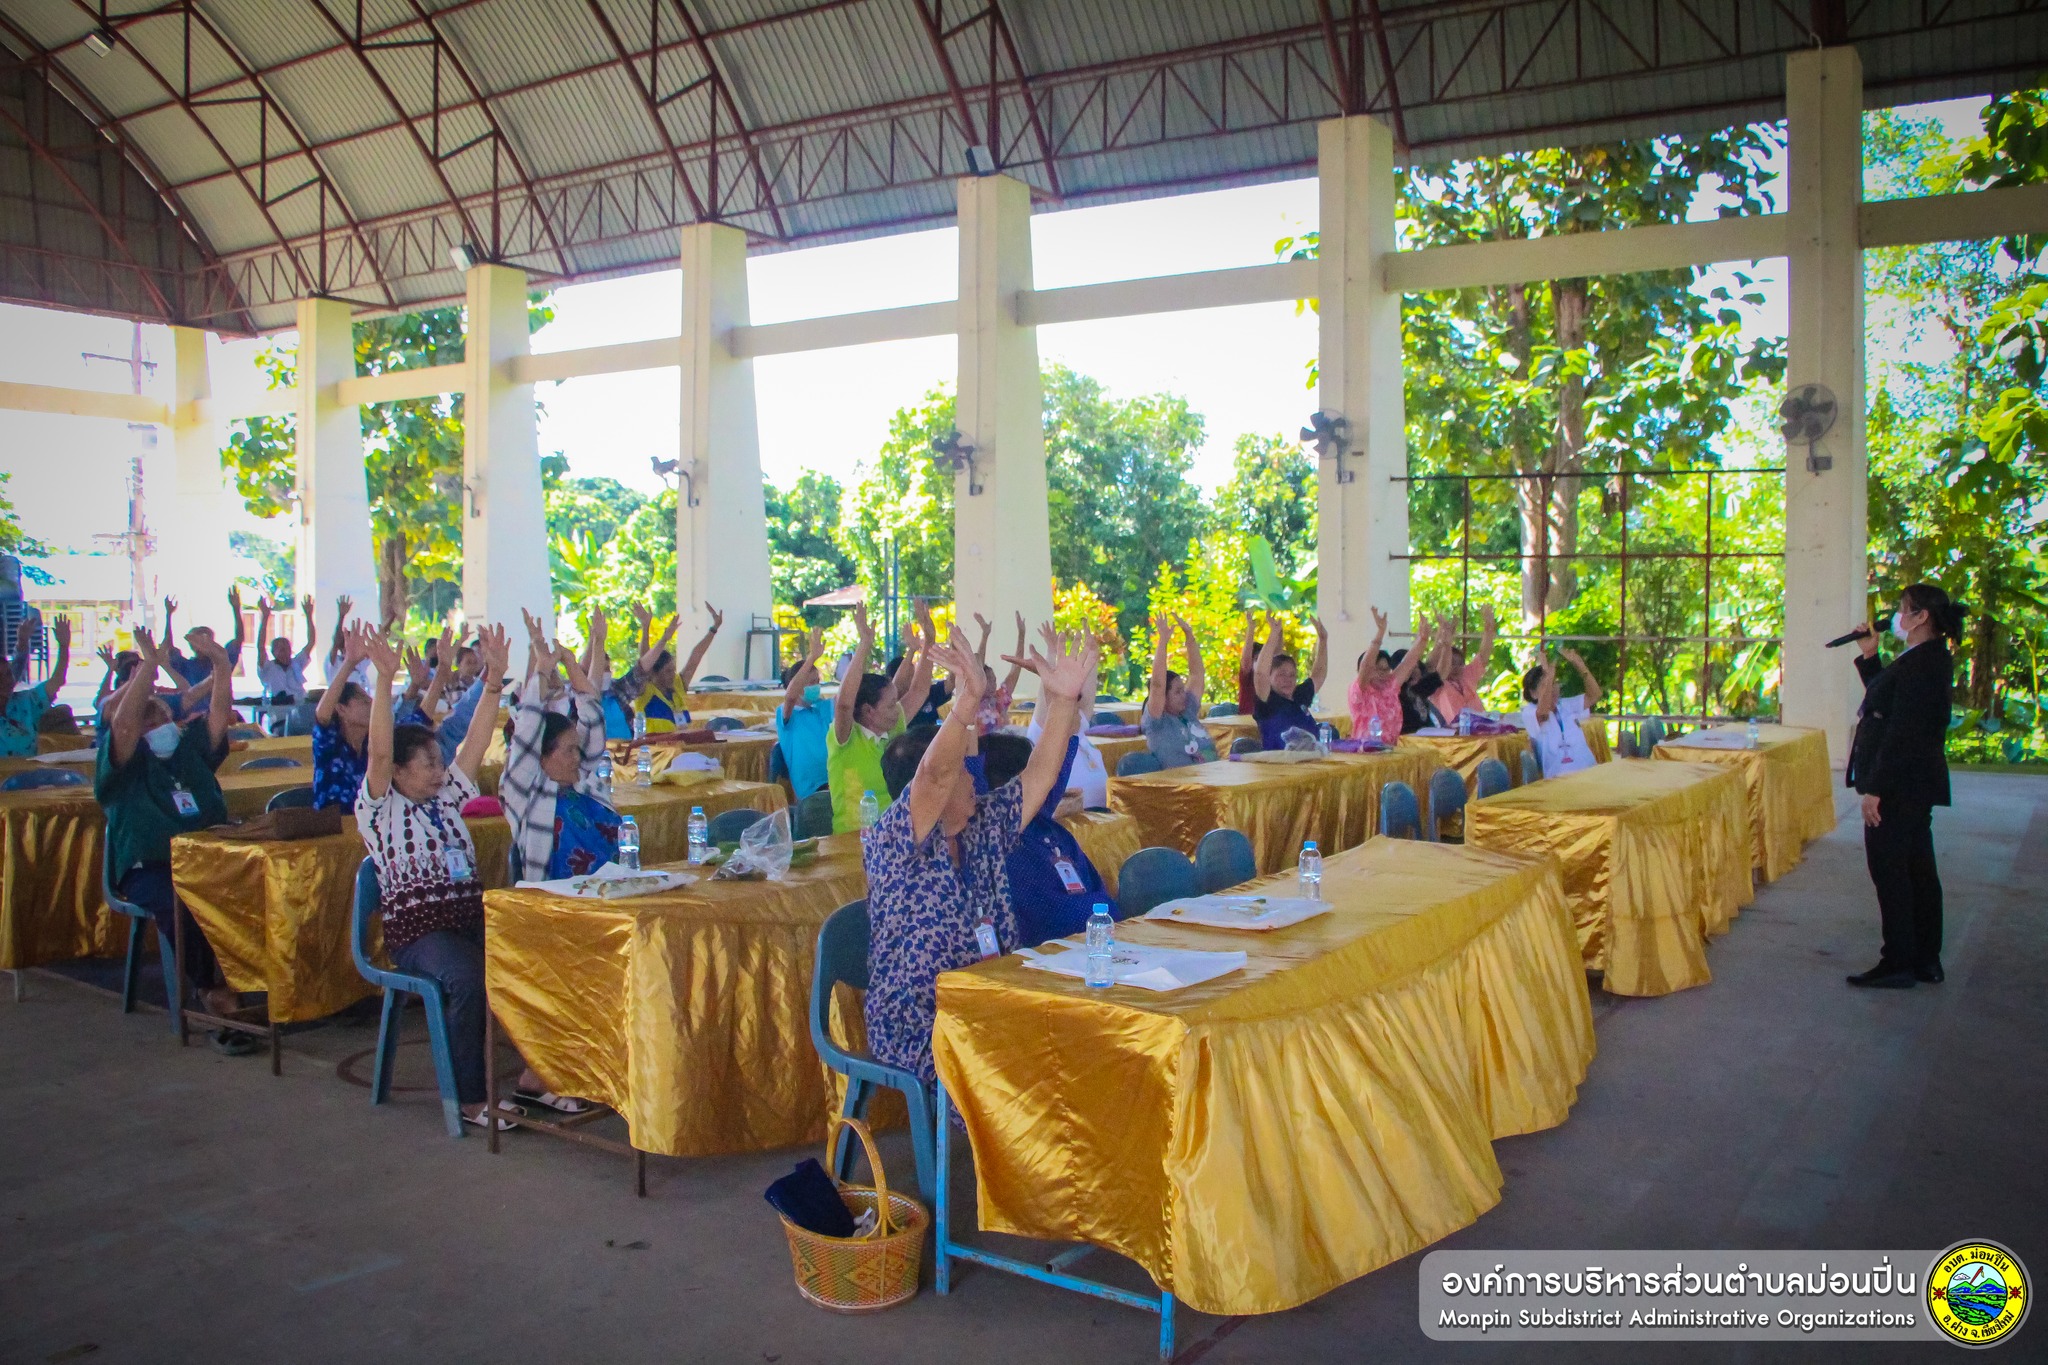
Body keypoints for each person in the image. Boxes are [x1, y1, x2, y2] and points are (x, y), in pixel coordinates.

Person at [354, 624, 576, 1125]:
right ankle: (470, 1098)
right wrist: (386, 684)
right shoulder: (381, 809)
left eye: (439, 762)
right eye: (428, 764)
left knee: (540, 957)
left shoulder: (448, 799)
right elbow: (380, 754)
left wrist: (496, 682)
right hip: (421, 934)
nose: (440, 771)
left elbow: (473, 747)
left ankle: (538, 1079)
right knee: (468, 979)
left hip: (470, 919)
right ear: (400, 773)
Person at [862, 624, 1097, 1085]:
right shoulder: (896, 841)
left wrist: (1064, 702)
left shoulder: (982, 825)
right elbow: (933, 774)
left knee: (1086, 1045)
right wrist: (966, 704)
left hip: (996, 1005)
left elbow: (1040, 776)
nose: (974, 777)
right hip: (926, 1026)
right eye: (962, 774)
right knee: (1032, 1077)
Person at [95, 625, 255, 1054]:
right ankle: (214, 995)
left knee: (262, 883)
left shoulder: (187, 751)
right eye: (151, 720)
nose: (161, 724)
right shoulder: (126, 765)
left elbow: (218, 716)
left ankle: (265, 982)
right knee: (183, 901)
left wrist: (222, 664)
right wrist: (149, 664)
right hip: (151, 869)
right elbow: (124, 724)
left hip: (206, 858)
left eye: (163, 717)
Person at [1844, 583, 1964, 990]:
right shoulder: (1922, 659)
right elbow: (1886, 703)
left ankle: (1898, 960)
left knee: (1893, 872)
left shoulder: (1924, 662)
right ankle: (1924, 958)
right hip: (1913, 781)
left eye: (1902, 609)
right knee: (1916, 869)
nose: (1896, 615)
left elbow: (1903, 730)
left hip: (1901, 782)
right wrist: (1870, 656)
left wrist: (1876, 787)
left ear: (1920, 617)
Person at [502, 609, 616, 884]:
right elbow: (528, 726)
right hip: (558, 906)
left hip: (612, 894)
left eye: (577, 749)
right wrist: (541, 667)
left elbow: (592, 714)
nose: (577, 758)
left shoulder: (584, 783)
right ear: (540, 758)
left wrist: (570, 661)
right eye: (568, 751)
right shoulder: (526, 793)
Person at [981, 730, 1106, 945]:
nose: (1049, 781)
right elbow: (1050, 918)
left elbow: (1059, 761)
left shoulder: (1046, 825)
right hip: (1055, 954)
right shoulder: (997, 839)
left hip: (1100, 941)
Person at [827, 601, 932, 833]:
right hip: (853, 839)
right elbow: (844, 705)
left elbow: (919, 690)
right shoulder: (846, 739)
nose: (898, 709)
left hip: (894, 836)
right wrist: (865, 644)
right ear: (868, 711)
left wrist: (929, 644)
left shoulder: (892, 729)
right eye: (891, 704)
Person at [1027, 632, 1108, 806]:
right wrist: (1051, 653)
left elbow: (1086, 699)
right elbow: (1047, 696)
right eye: (1068, 704)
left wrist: (1092, 655)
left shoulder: (1080, 732)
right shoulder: (1042, 736)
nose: (1078, 709)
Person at [312, 622, 378, 810]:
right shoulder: (331, 743)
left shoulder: (372, 744)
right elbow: (322, 716)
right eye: (364, 702)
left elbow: (417, 719)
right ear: (341, 709)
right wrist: (349, 663)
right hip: (333, 833)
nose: (372, 705)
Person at [1142, 611, 1218, 768]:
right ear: (1163, 697)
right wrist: (1163, 641)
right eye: (1177, 692)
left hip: (1213, 778)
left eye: (1182, 690)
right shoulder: (1157, 721)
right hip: (1181, 788)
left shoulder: (1187, 710)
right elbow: (1157, 684)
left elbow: (1197, 675)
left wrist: (1189, 636)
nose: (1184, 695)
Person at [1519, 647, 1604, 777]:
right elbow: (1543, 712)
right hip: (1558, 780)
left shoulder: (1565, 704)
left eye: (1554, 684)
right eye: (1545, 685)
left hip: (1589, 773)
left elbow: (1595, 695)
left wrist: (1580, 666)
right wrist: (1549, 675)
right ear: (1533, 693)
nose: (1552, 689)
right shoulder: (1529, 712)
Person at [637, 605, 723, 733]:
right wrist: (645, 627)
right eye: (667, 671)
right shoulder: (645, 690)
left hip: (682, 748)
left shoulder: (677, 685)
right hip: (657, 751)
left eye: (673, 670)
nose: (673, 675)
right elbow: (644, 660)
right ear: (654, 672)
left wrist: (714, 629)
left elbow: (696, 657)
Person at [1251, 612, 1329, 749]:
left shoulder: (1299, 695)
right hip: (1282, 765)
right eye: (1281, 674)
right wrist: (1273, 635)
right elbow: (1260, 673)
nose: (1287, 679)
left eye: (1292, 675)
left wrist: (1323, 640)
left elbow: (1319, 675)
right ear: (1270, 677)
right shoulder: (1267, 700)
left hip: (1312, 760)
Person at [1348, 607, 1424, 746]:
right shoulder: (1361, 691)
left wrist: (1423, 638)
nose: (1382, 673)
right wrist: (1380, 633)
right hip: (1365, 752)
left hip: (1390, 750)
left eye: (1386, 669)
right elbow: (1366, 666)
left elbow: (1408, 662)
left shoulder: (1390, 686)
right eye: (1377, 669)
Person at [774, 627, 832, 800]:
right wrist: (812, 658)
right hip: (811, 790)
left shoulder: (823, 706)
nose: (816, 686)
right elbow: (790, 696)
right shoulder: (786, 715)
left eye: (817, 681)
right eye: (811, 682)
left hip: (834, 780)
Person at [0, 614, 69, 758]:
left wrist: (64, 646)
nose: (6, 681)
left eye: (8, 675)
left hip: (27, 777)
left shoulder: (25, 702)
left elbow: (56, 681)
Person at [1427, 606, 1499, 725]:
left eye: (1460, 663)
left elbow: (1483, 656)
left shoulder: (1466, 675)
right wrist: (1443, 637)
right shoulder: (1437, 684)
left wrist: (1489, 628)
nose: (1457, 667)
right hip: (1451, 737)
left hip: (1479, 731)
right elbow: (1431, 664)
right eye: (1452, 663)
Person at [969, 611, 1026, 734]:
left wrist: (1022, 635)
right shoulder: (973, 699)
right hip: (980, 747)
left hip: (1001, 746)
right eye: (989, 680)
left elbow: (1015, 669)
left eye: (994, 680)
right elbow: (978, 666)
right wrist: (985, 635)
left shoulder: (999, 697)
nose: (993, 684)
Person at [255, 594, 318, 704]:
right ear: (273, 652)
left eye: (287, 648)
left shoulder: (296, 663)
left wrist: (309, 615)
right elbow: (260, 646)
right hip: (278, 711)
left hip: (299, 708)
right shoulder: (267, 667)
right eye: (281, 649)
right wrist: (265, 618)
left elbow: (311, 642)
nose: (286, 652)